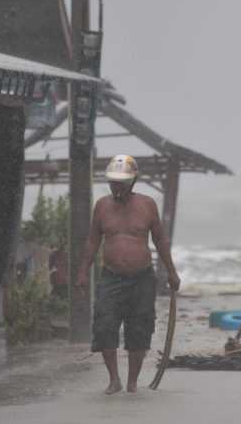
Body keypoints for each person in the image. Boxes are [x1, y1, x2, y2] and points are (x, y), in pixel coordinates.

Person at [76, 154, 181, 394]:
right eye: (113, 181)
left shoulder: (147, 205)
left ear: (133, 181)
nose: (116, 186)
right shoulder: (102, 206)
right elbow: (92, 240)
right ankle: (114, 379)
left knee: (140, 328)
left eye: (121, 181)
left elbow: (161, 241)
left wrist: (172, 273)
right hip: (111, 276)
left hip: (142, 277)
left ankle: (132, 382)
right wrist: (83, 271)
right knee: (104, 325)